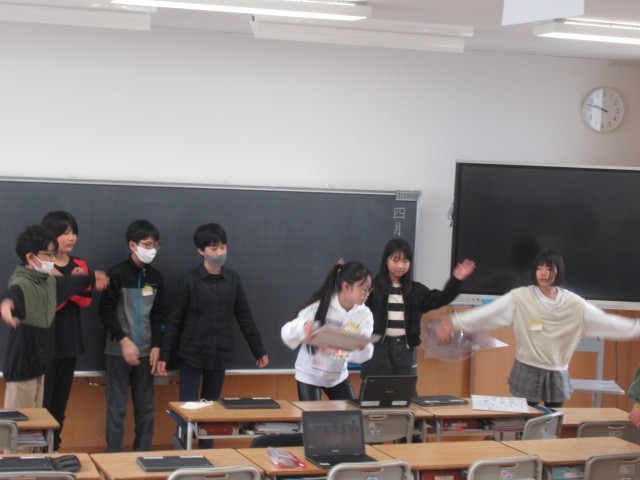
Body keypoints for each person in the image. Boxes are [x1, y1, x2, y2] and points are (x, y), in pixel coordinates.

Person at [435, 249, 640, 408]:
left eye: (549, 269)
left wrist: (636, 328)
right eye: (539, 268)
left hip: (557, 371)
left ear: (558, 271)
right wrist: (455, 322)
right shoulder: (520, 297)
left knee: (554, 421)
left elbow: (607, 322)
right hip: (527, 368)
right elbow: (488, 314)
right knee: (526, 422)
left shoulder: (574, 304)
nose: (543, 273)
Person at [157, 223, 269, 448]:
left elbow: (244, 316)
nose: (220, 253)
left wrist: (258, 350)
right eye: (214, 248)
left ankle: (207, 453)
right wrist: (164, 355)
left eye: (223, 247)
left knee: (211, 410)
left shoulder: (233, 280)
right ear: (201, 250)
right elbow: (174, 320)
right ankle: (185, 452)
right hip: (191, 353)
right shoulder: (189, 281)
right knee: (188, 409)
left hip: (220, 354)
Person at [0, 225, 108, 410]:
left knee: (39, 421)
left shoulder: (48, 281)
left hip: (40, 366)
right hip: (22, 367)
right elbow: (13, 293)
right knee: (19, 423)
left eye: (53, 254)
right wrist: (6, 304)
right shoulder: (23, 281)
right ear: (30, 257)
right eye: (48, 255)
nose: (52, 259)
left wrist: (92, 277)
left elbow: (70, 282)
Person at [360, 238, 476, 380]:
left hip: (405, 349)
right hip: (377, 348)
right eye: (395, 260)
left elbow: (441, 298)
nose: (400, 266)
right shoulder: (372, 288)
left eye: (405, 261)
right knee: (374, 390)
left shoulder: (416, 290)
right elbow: (353, 305)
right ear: (386, 260)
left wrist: (456, 281)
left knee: (405, 391)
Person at [99, 219, 166, 452]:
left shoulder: (156, 277)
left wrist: (157, 345)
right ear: (132, 245)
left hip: (146, 353)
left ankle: (143, 454)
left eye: (155, 245)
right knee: (116, 409)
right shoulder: (116, 274)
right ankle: (113, 457)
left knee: (146, 408)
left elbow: (160, 315)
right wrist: (123, 339)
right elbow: (105, 311)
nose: (152, 250)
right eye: (147, 245)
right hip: (118, 352)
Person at [281, 261, 374, 401]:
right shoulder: (321, 305)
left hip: (337, 376)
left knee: (352, 413)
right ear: (346, 287)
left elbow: (360, 355)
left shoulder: (365, 315)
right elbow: (286, 332)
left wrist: (362, 348)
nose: (367, 294)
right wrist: (303, 327)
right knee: (313, 414)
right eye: (363, 289)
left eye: (369, 290)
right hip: (309, 375)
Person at [40, 210, 92, 452]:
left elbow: (86, 300)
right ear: (51, 235)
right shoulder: (41, 265)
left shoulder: (80, 264)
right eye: (65, 233)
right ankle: (39, 451)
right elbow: (49, 304)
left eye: (73, 233)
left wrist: (65, 283)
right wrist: (72, 283)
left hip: (69, 342)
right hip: (44, 343)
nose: (71, 238)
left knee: (60, 404)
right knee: (42, 403)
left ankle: (54, 448)